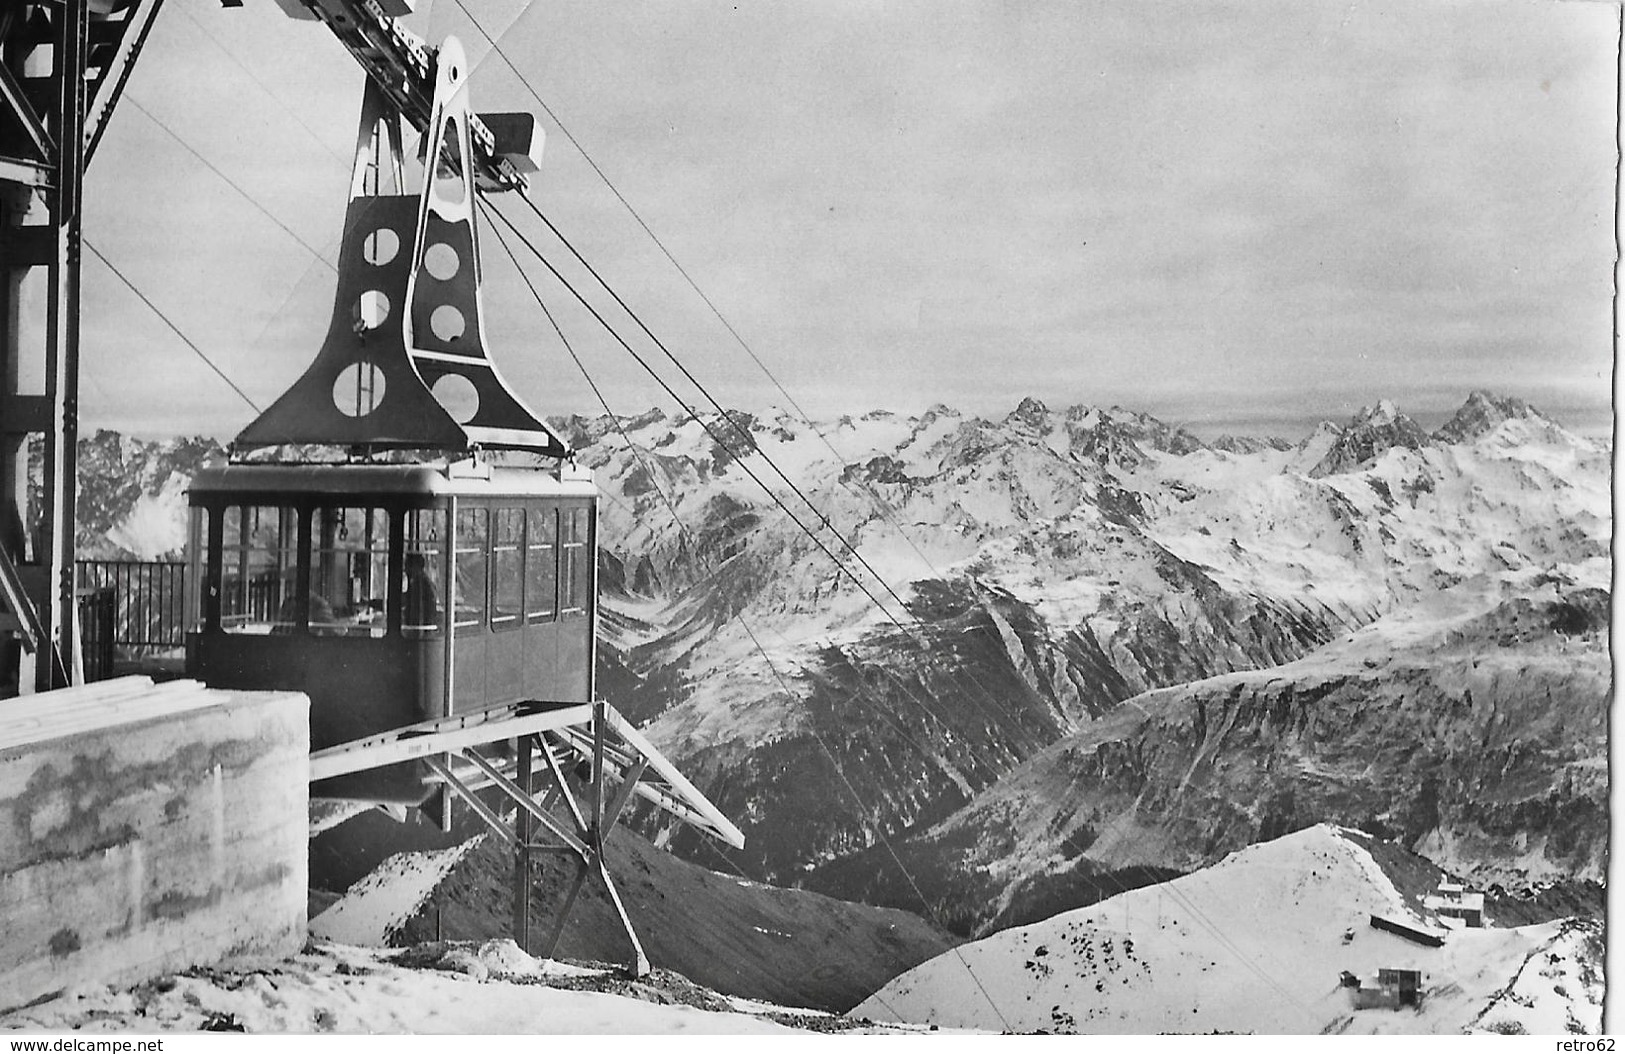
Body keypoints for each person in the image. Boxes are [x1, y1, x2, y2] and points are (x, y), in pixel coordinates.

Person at [403, 552, 440, 630]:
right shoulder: (423, 582)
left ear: (416, 566)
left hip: (420, 631)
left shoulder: (420, 585)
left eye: (408, 565)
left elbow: (404, 601)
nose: (405, 569)